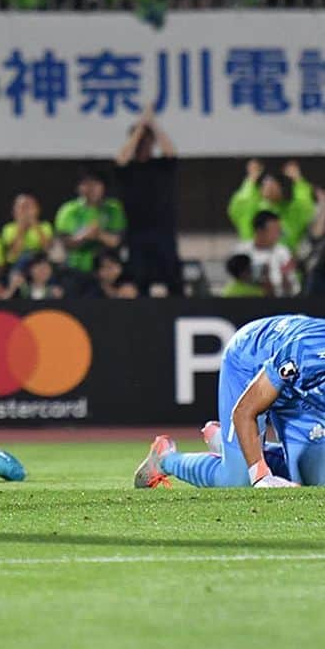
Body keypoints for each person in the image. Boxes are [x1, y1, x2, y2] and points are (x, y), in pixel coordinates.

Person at [135, 315, 325, 489]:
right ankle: (165, 459)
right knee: (238, 480)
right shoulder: (305, 353)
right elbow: (244, 411)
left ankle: (226, 442)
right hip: (249, 361)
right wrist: (261, 477)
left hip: (297, 384)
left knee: (315, 481)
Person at [113, 107, 181, 296]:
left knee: (171, 277)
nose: (143, 144)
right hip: (137, 233)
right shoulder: (128, 169)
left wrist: (152, 125)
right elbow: (120, 159)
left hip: (163, 231)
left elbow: (171, 152)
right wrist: (139, 129)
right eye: (140, 141)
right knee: (139, 278)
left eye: (147, 141)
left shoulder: (161, 166)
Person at [228, 159, 316, 254]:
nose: (270, 186)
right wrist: (251, 179)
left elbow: (305, 206)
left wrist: (298, 181)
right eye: (266, 183)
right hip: (253, 263)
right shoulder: (253, 210)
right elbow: (241, 205)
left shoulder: (290, 212)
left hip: (284, 265)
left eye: (275, 184)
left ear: (282, 189)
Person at [54, 169, 126, 280]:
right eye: (86, 184)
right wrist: (85, 235)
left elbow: (116, 241)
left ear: (103, 187)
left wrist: (99, 234)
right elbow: (65, 244)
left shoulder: (113, 208)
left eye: (95, 184)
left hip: (106, 272)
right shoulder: (68, 209)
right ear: (79, 187)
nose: (91, 188)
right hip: (74, 269)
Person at [233, 210, 297, 297]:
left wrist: (284, 277)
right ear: (260, 231)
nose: (278, 235)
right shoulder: (241, 251)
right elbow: (236, 283)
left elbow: (292, 290)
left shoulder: (283, 252)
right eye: (275, 231)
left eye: (279, 231)